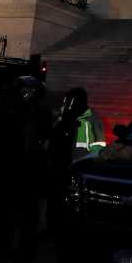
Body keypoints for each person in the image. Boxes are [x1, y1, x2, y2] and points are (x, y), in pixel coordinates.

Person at [0, 76, 50, 262]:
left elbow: (41, 143)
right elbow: (1, 139)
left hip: (28, 170)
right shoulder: (12, 111)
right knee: (8, 212)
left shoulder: (39, 113)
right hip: (13, 168)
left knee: (26, 213)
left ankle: (24, 249)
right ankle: (4, 246)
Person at [46, 87, 102, 236]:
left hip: (78, 168)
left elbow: (98, 145)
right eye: (69, 99)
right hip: (59, 164)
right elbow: (53, 138)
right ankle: (51, 229)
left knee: (73, 203)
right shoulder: (62, 117)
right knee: (54, 200)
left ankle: (69, 230)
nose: (70, 103)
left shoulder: (91, 118)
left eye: (73, 100)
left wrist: (88, 165)